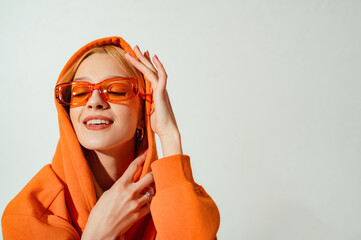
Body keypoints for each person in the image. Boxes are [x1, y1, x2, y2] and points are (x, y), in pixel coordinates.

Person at [1, 36, 220, 240]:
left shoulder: (179, 196)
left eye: (116, 90)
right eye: (79, 92)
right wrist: (98, 234)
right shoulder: (30, 213)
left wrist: (169, 134)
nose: (94, 101)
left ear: (143, 113)